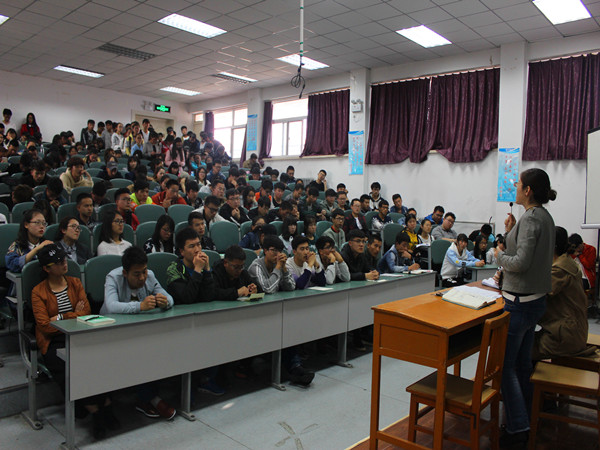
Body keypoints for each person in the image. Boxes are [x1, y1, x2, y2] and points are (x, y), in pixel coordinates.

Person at [493, 168, 556, 447]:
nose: (516, 187)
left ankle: (517, 428)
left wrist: (499, 255)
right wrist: (510, 231)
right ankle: (526, 417)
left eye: (518, 184)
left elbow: (520, 262)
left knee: (505, 368)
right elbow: (526, 251)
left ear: (528, 190)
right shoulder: (542, 216)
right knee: (521, 365)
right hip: (534, 300)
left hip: (520, 303)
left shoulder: (530, 219)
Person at [32, 244, 117, 440]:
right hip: (53, 341)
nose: (64, 263)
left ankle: (103, 404)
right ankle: (97, 410)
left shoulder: (75, 283)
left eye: (64, 259)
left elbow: (86, 312)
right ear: (46, 268)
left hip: (79, 333)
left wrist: (61, 317)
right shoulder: (38, 292)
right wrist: (72, 315)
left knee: (98, 361)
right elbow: (44, 326)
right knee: (68, 367)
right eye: (58, 262)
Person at [101, 246, 176, 419]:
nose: (142, 277)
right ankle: (149, 399)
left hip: (140, 331)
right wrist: (139, 306)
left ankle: (148, 398)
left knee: (155, 349)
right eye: (136, 274)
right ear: (125, 273)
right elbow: (111, 306)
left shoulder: (150, 276)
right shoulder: (113, 277)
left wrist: (165, 302)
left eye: (144, 271)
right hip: (112, 331)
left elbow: (169, 298)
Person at [247, 235, 313, 386]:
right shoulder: (256, 266)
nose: (277, 254)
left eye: (280, 251)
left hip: (275, 312)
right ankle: (293, 368)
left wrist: (283, 269)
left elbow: (291, 287)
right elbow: (268, 289)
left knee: (289, 328)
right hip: (257, 316)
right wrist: (278, 267)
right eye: (273, 250)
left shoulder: (280, 265)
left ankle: (296, 368)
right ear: (264, 251)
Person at [533, 226, 589, 361]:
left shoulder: (559, 270)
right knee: (522, 340)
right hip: (572, 330)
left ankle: (526, 375)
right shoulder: (566, 261)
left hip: (566, 336)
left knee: (518, 347)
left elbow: (534, 291)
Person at [166, 227, 214, 304]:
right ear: (182, 251)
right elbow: (187, 298)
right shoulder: (174, 269)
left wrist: (207, 270)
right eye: (192, 246)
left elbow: (209, 297)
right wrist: (197, 270)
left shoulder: (203, 265)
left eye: (198, 244)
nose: (197, 250)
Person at [6, 209, 54, 274]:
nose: (42, 226)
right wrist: (36, 250)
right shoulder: (17, 245)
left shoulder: (47, 244)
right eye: (37, 222)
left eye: (44, 223)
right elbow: (12, 265)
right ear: (26, 224)